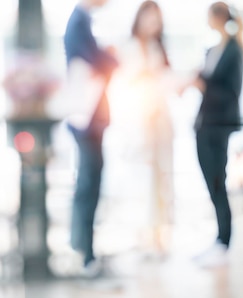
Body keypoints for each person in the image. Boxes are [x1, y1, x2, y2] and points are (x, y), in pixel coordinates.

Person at [107, 0, 174, 257]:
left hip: (161, 122)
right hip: (137, 124)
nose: (153, 24)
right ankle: (143, 236)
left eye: (157, 20)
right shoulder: (129, 48)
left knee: (163, 179)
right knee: (140, 181)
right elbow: (122, 84)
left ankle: (160, 237)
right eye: (149, 18)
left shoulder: (159, 48)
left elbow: (167, 80)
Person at [63, 0, 118, 275]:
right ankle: (85, 254)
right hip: (87, 121)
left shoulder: (82, 21)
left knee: (90, 182)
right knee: (88, 184)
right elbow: (97, 60)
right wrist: (112, 57)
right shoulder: (79, 22)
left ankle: (83, 248)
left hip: (90, 120)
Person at [192, 1, 243, 267]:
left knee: (217, 181)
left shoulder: (234, 50)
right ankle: (219, 239)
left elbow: (231, 91)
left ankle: (224, 240)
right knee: (211, 181)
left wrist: (203, 85)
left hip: (219, 124)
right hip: (204, 123)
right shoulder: (212, 49)